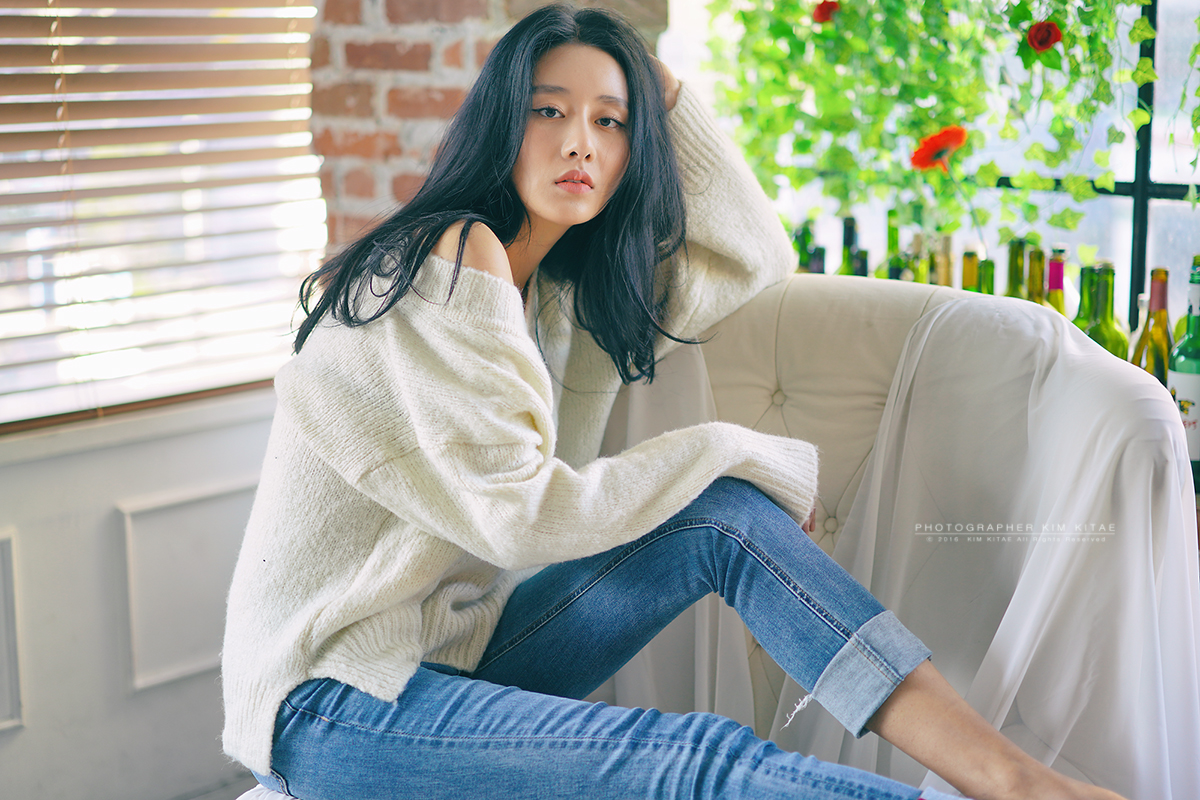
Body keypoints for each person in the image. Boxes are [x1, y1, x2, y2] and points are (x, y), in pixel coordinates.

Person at [221, 5, 1128, 799]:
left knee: (723, 518)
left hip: (458, 659)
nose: (581, 142)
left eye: (610, 122)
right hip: (331, 703)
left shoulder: (563, 300)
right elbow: (520, 519)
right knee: (694, 759)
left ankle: (1014, 781)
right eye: (548, 110)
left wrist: (662, 88)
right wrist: (738, 448)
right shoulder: (449, 257)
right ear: (500, 122)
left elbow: (753, 252)